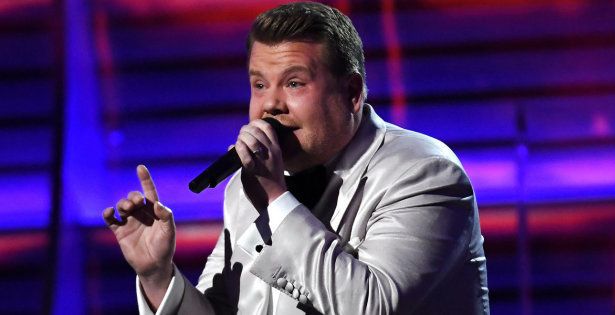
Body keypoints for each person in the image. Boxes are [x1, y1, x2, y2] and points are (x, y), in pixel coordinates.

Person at [103, 2, 489, 314]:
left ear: (352, 92)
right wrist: (158, 276)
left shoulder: (424, 172)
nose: (270, 104)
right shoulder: (247, 184)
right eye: (259, 84)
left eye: (294, 83)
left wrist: (275, 199)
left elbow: (370, 305)